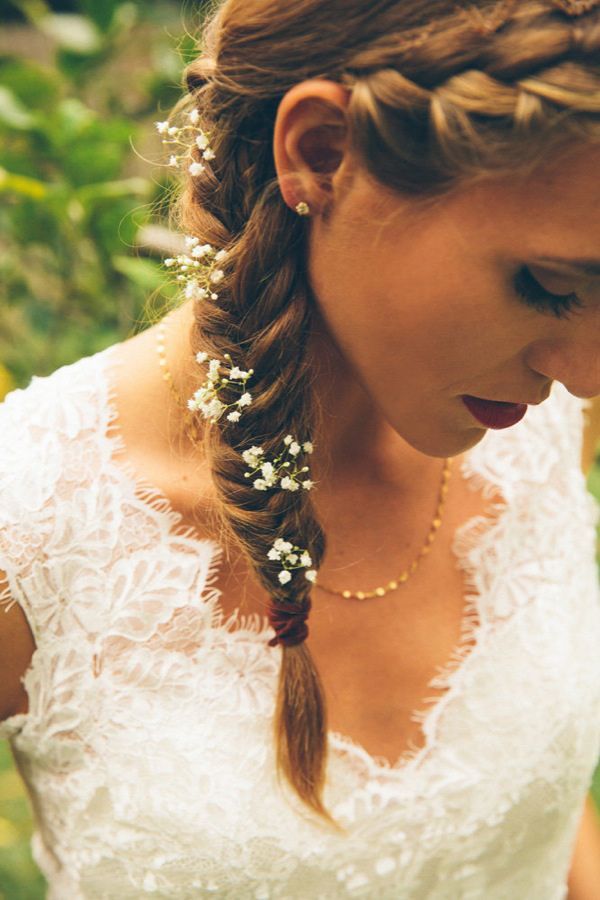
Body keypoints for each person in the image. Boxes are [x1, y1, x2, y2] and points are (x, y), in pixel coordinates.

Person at [1, 0, 600, 896]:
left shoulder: (532, 422)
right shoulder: (33, 525)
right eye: (550, 287)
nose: (586, 374)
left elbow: (534, 822)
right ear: (322, 152)